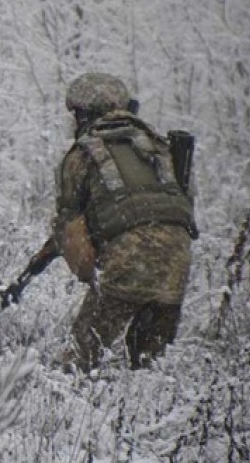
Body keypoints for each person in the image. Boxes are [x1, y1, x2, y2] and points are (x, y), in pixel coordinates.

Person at [54, 72, 196, 373]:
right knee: (149, 367)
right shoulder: (160, 148)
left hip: (128, 263)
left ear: (81, 114)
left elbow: (71, 235)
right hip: (177, 263)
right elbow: (181, 209)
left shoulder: (82, 154)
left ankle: (71, 415)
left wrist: (94, 276)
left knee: (80, 360)